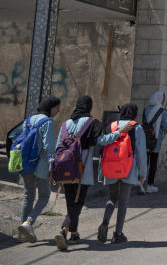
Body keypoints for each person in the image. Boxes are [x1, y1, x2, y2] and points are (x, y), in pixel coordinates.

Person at [53, 95, 106, 251]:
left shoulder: (65, 124)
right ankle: (64, 229)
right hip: (83, 169)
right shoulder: (93, 123)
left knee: (70, 201)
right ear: (89, 106)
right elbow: (101, 141)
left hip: (65, 168)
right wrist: (117, 135)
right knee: (79, 201)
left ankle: (74, 233)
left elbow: (57, 146)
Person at [98, 102, 146, 245]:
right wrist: (143, 174)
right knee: (123, 202)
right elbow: (141, 154)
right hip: (128, 169)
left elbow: (103, 152)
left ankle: (105, 221)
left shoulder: (111, 126)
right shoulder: (136, 128)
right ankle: (117, 234)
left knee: (112, 198)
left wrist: (101, 173)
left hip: (111, 168)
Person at [17, 96, 60, 242]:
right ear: (51, 108)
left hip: (25, 163)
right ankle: (28, 223)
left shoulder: (29, 120)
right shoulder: (48, 122)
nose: (58, 110)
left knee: (28, 195)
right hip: (41, 165)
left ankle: (22, 232)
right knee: (44, 196)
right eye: (57, 107)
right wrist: (52, 168)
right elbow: (50, 147)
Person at [142, 90, 167, 194]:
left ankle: (141, 184)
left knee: (144, 162)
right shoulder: (162, 111)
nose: (163, 100)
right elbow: (164, 126)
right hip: (156, 141)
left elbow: (144, 123)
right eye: (163, 99)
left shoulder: (146, 109)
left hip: (145, 139)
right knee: (153, 163)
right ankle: (150, 185)